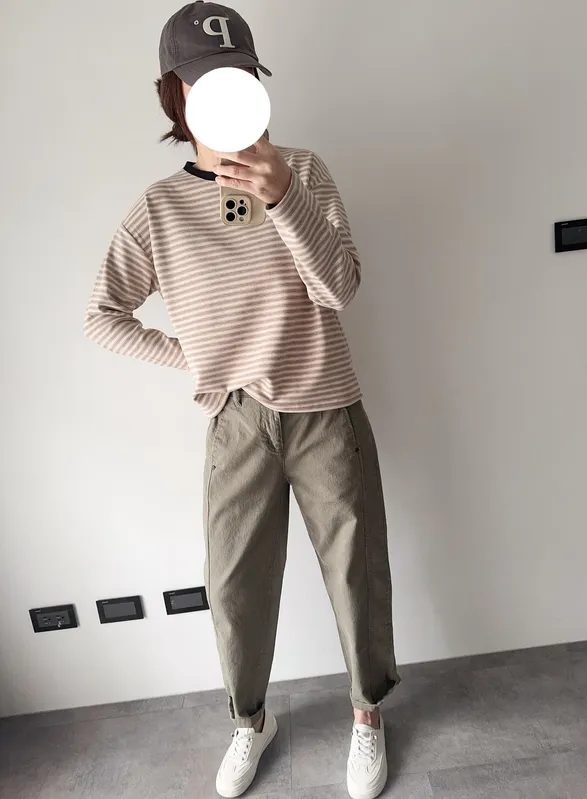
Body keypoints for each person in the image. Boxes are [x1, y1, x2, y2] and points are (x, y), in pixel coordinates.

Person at [84, 3, 400, 797]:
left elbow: (339, 288)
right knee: (234, 584)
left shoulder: (306, 171)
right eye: (206, 81)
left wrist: (285, 197)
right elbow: (102, 314)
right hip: (236, 420)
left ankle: (367, 714)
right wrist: (194, 359)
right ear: (176, 95)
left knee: (355, 572)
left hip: (326, 405)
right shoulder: (160, 209)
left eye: (240, 76)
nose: (225, 92)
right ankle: (249, 720)